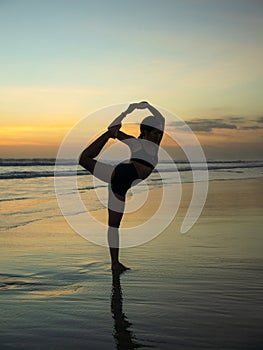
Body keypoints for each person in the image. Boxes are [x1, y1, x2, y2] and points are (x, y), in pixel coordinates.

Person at [79, 101, 165, 271]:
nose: (158, 136)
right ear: (145, 133)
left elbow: (161, 118)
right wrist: (126, 112)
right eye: (154, 133)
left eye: (159, 133)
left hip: (119, 180)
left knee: (114, 226)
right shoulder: (136, 143)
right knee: (84, 158)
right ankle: (115, 263)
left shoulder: (154, 145)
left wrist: (146, 105)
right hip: (121, 176)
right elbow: (113, 127)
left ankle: (115, 263)